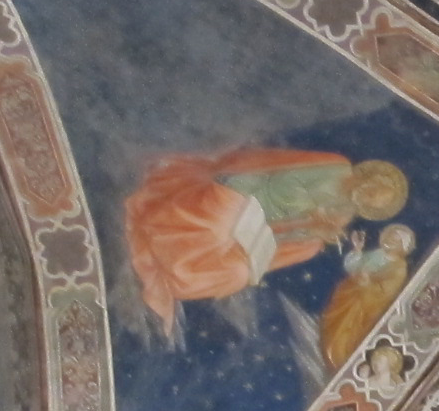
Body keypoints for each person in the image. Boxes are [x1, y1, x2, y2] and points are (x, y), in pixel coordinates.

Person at [122, 148, 407, 340]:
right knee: (216, 227)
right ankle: (159, 242)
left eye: (372, 202)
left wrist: (314, 233)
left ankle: (172, 278)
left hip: (256, 229)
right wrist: (312, 212)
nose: (365, 197)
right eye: (371, 190)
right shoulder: (335, 167)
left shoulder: (344, 215)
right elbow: (283, 184)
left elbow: (288, 240)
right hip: (248, 194)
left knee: (237, 273)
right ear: (368, 178)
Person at [320, 224, 416, 372]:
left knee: (349, 335)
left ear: (403, 246)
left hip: (366, 307)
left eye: (395, 240)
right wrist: (358, 250)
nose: (390, 241)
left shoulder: (399, 267)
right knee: (336, 329)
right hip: (349, 296)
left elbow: (388, 293)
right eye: (390, 236)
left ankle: (343, 362)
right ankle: (333, 357)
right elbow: (353, 267)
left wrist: (368, 284)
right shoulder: (377, 254)